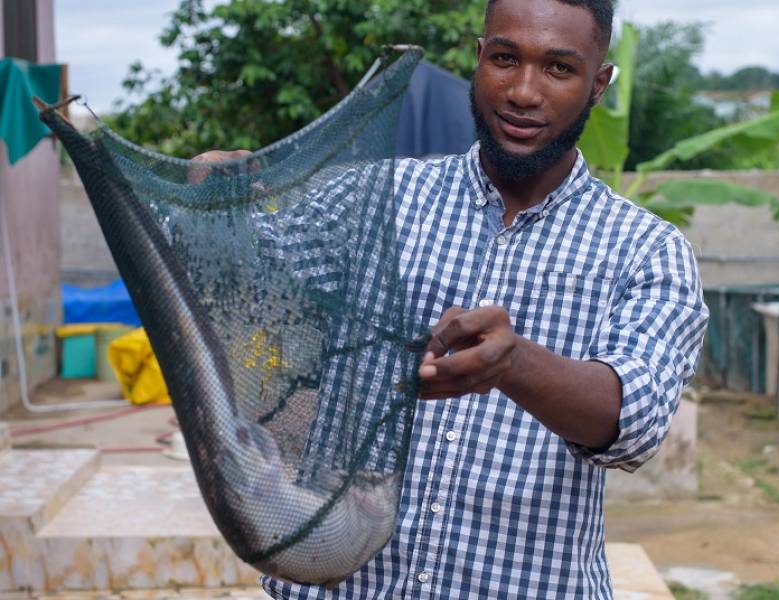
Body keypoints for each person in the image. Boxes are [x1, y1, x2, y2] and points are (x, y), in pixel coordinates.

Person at [196, 0, 708, 597]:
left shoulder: (646, 251)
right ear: (478, 59)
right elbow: (253, 273)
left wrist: (514, 365)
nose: (522, 91)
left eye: (558, 69)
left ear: (598, 85)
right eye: (505, 58)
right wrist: (215, 203)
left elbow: (635, 425)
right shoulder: (376, 200)